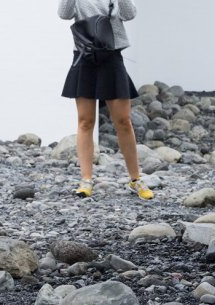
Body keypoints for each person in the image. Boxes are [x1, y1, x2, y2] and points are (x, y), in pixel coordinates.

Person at [58, 0, 153, 200]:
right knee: (85, 121)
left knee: (124, 122)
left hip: (112, 57)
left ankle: (135, 179)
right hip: (85, 56)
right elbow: (64, 13)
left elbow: (129, 14)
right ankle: (86, 180)